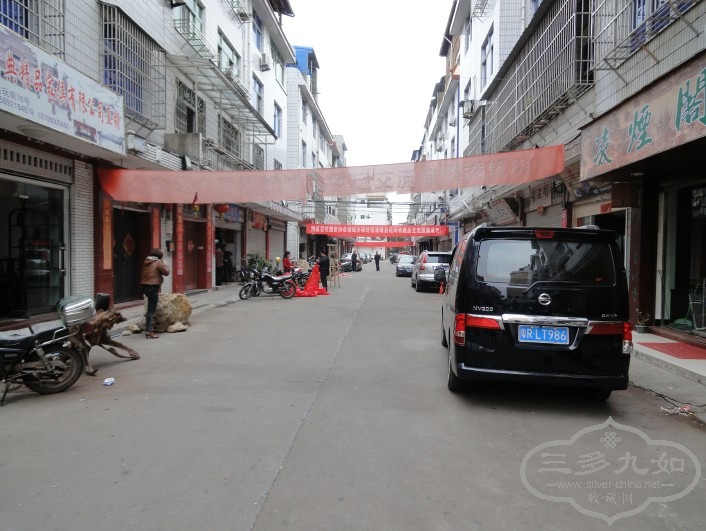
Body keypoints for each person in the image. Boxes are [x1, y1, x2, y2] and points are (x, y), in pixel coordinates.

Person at [140, 248, 170, 339]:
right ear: (159, 256)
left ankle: (148, 330)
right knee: (151, 310)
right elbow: (166, 272)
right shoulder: (158, 263)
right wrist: (165, 264)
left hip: (145, 286)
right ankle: (149, 331)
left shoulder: (146, 261)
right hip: (153, 287)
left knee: (150, 308)